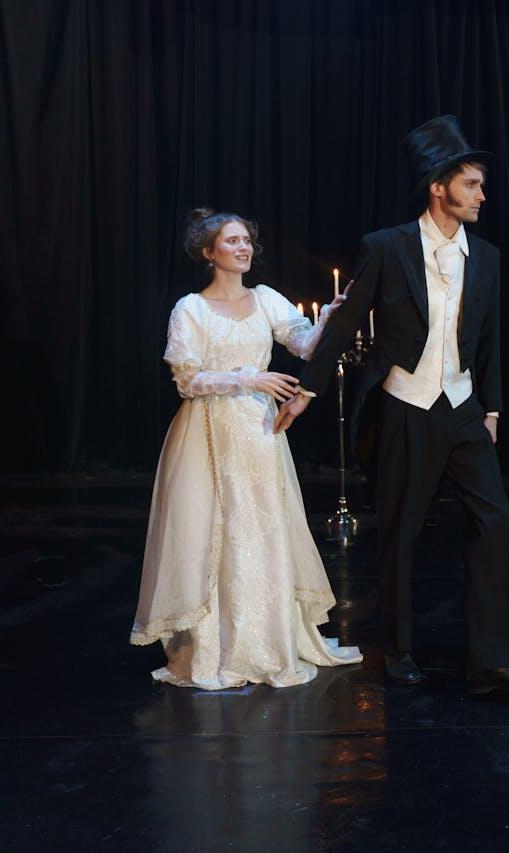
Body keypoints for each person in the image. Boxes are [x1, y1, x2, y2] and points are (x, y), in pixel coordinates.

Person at [275, 116, 509, 696]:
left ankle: (491, 664)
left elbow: (491, 337)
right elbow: (346, 322)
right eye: (472, 184)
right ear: (438, 187)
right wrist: (306, 392)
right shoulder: (387, 247)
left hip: (465, 407)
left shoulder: (488, 256)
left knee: (492, 521)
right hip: (406, 405)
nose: (482, 195)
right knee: (401, 531)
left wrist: (492, 409)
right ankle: (398, 651)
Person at [130, 208, 361, 689]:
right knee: (211, 530)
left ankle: (267, 638)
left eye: (246, 240)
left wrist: (331, 319)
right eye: (232, 241)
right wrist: (248, 377)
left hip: (257, 433)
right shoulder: (190, 308)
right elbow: (187, 379)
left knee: (261, 526)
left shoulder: (265, 299)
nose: (243, 248)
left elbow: (302, 343)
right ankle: (216, 646)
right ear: (208, 252)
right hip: (208, 431)